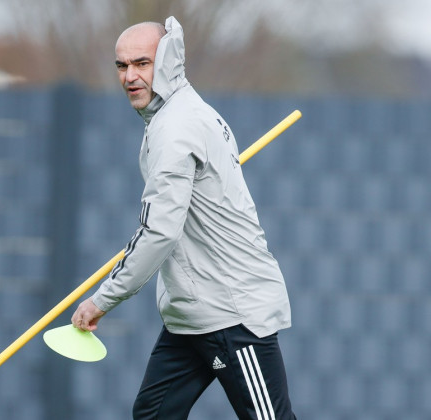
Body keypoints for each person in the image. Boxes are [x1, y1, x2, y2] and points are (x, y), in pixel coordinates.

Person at [72, 16, 297, 420]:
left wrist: (102, 300)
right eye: (122, 66)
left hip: (233, 313)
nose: (130, 76)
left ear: (169, 60)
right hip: (190, 312)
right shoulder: (180, 114)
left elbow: (158, 232)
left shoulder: (176, 128)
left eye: (142, 63)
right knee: (153, 415)